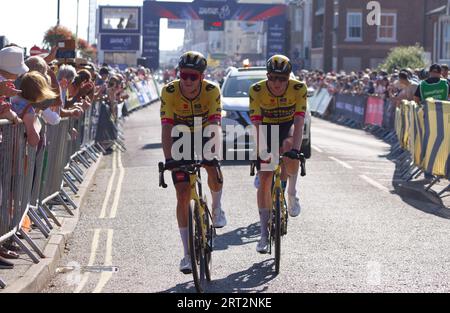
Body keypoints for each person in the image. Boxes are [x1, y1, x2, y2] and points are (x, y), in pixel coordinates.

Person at [160, 51, 226, 274]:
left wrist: (213, 153)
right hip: (180, 136)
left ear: (202, 77)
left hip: (205, 132)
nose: (187, 81)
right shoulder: (169, 91)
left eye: (193, 77)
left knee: (213, 171)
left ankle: (216, 209)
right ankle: (187, 255)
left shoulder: (212, 90)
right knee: (182, 194)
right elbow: (167, 127)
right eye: (184, 75)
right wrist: (169, 159)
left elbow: (216, 124)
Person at [249, 55, 306, 253]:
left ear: (289, 78)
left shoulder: (299, 88)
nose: (277, 83)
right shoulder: (256, 90)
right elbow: (255, 125)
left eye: (282, 79)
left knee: (291, 151)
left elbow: (299, 123)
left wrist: (296, 151)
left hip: (288, 125)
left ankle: (291, 193)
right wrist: (262, 152)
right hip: (265, 127)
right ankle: (264, 234)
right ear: (267, 76)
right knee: (265, 177)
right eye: (273, 78)